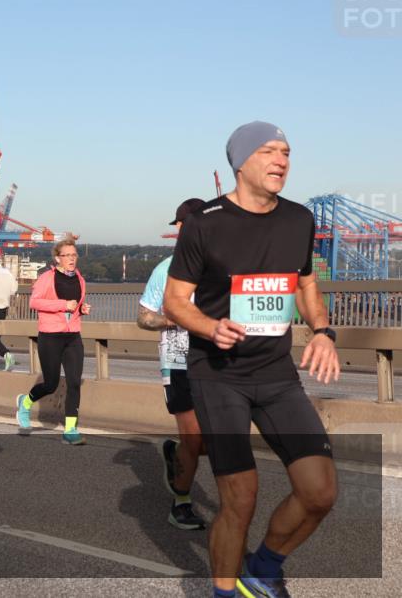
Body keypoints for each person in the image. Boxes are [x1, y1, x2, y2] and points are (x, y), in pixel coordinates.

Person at [163, 122, 340, 598]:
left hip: (277, 375)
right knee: (240, 498)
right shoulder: (205, 222)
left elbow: (304, 282)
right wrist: (209, 326)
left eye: (286, 151)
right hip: (218, 376)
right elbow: (175, 301)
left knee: (319, 491)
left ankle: (262, 568)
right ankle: (224, 591)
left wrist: (321, 331)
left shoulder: (300, 220)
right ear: (241, 161)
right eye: (269, 150)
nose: (281, 159)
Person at [137, 198, 207, 530]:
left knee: (216, 441)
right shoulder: (165, 270)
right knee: (194, 438)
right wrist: (173, 319)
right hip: (178, 360)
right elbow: (143, 317)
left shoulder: (222, 267)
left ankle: (175, 454)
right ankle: (181, 501)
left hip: (215, 362)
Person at [14, 238, 92, 444]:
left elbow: (75, 305)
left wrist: (81, 309)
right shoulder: (47, 278)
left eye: (74, 255)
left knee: (74, 382)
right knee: (51, 384)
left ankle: (70, 430)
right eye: (67, 255)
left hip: (73, 336)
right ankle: (25, 402)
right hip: (50, 336)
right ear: (58, 258)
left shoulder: (80, 279)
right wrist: (62, 305)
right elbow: (34, 302)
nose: (71, 259)